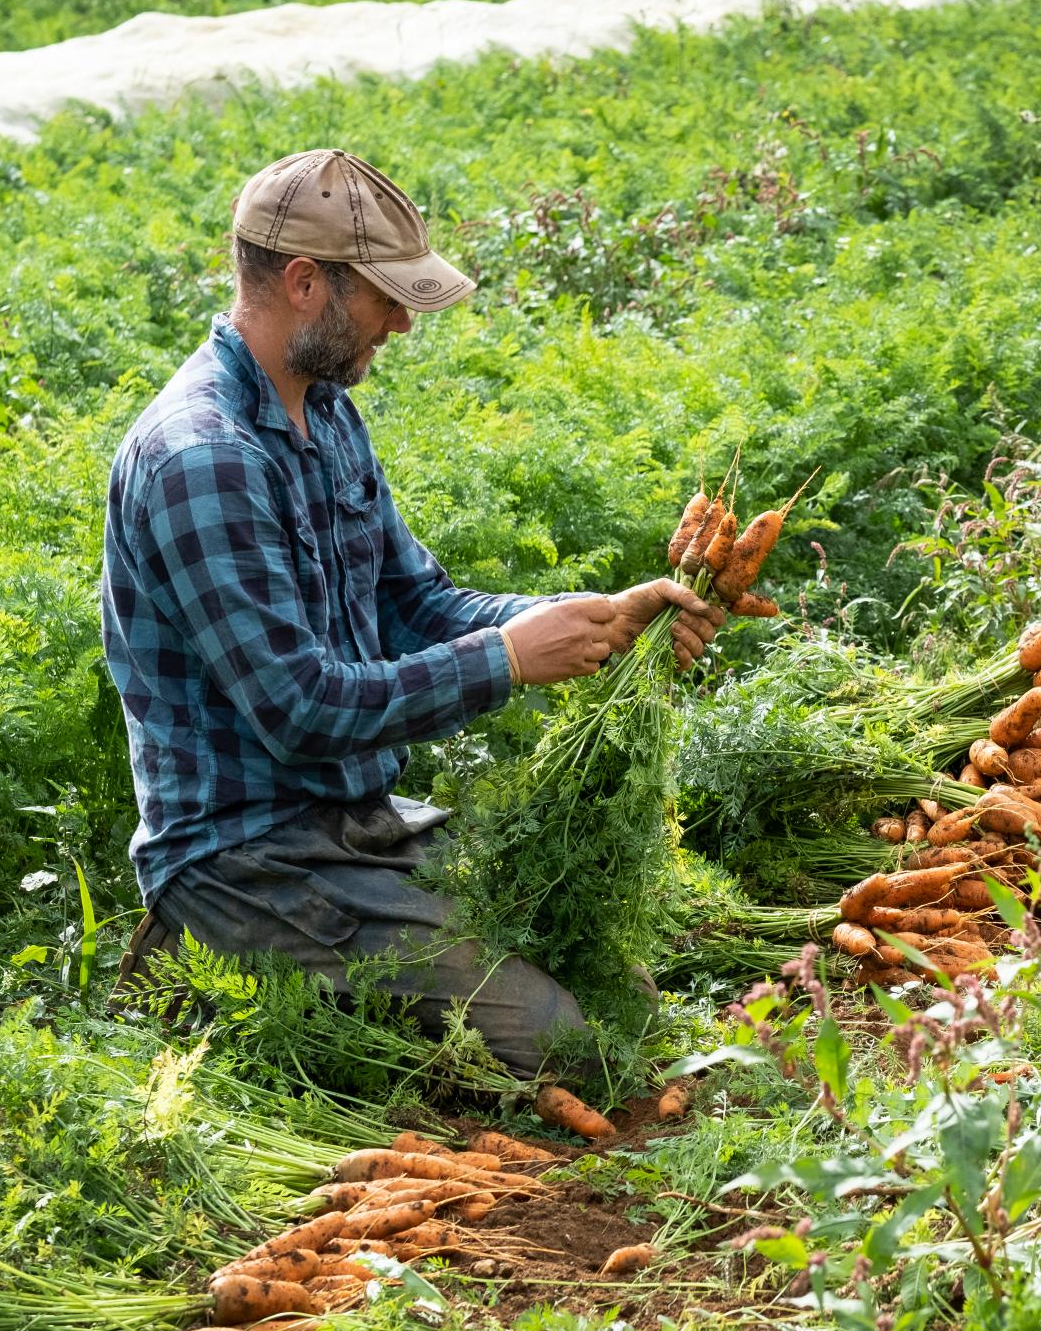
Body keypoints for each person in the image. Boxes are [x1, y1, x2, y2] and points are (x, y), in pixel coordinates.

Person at [101, 148, 723, 1075]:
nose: (400, 323)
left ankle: (346, 973)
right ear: (306, 283)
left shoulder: (323, 409)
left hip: (359, 821)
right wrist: (508, 659)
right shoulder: (205, 458)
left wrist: (586, 620)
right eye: (384, 298)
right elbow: (301, 709)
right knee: (568, 1050)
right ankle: (197, 964)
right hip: (249, 859)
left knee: (616, 984)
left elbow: (413, 601)